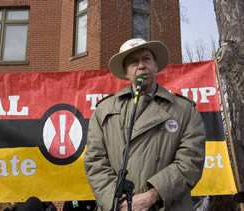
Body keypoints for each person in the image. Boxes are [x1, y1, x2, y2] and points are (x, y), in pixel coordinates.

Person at [84, 38, 206, 211]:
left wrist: (152, 196)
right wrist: (118, 203)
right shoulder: (104, 110)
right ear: (126, 72)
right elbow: (95, 161)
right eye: (133, 61)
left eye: (146, 59)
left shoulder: (184, 110)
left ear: (156, 65)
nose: (141, 65)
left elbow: (191, 162)